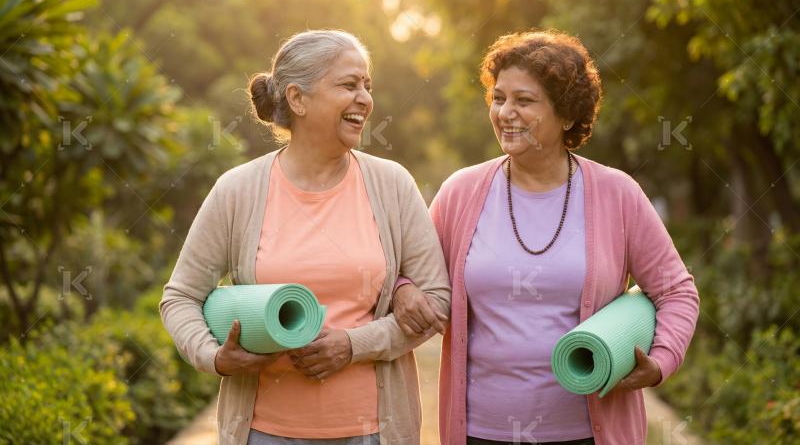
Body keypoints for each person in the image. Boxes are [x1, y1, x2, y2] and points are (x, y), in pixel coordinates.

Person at [393, 29, 700, 445]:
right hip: (482, 432)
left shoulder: (616, 193)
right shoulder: (460, 192)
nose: (505, 112)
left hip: (588, 434)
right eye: (499, 98)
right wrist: (404, 289)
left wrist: (662, 359)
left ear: (568, 115)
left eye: (524, 101)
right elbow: (411, 271)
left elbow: (676, 289)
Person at [160, 29, 450, 445]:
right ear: (298, 98)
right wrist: (214, 358)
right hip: (262, 433)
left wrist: (353, 345)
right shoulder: (237, 190)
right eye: (349, 85)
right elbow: (180, 296)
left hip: (373, 433)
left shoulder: (392, 184)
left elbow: (437, 301)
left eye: (367, 86)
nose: (365, 99)